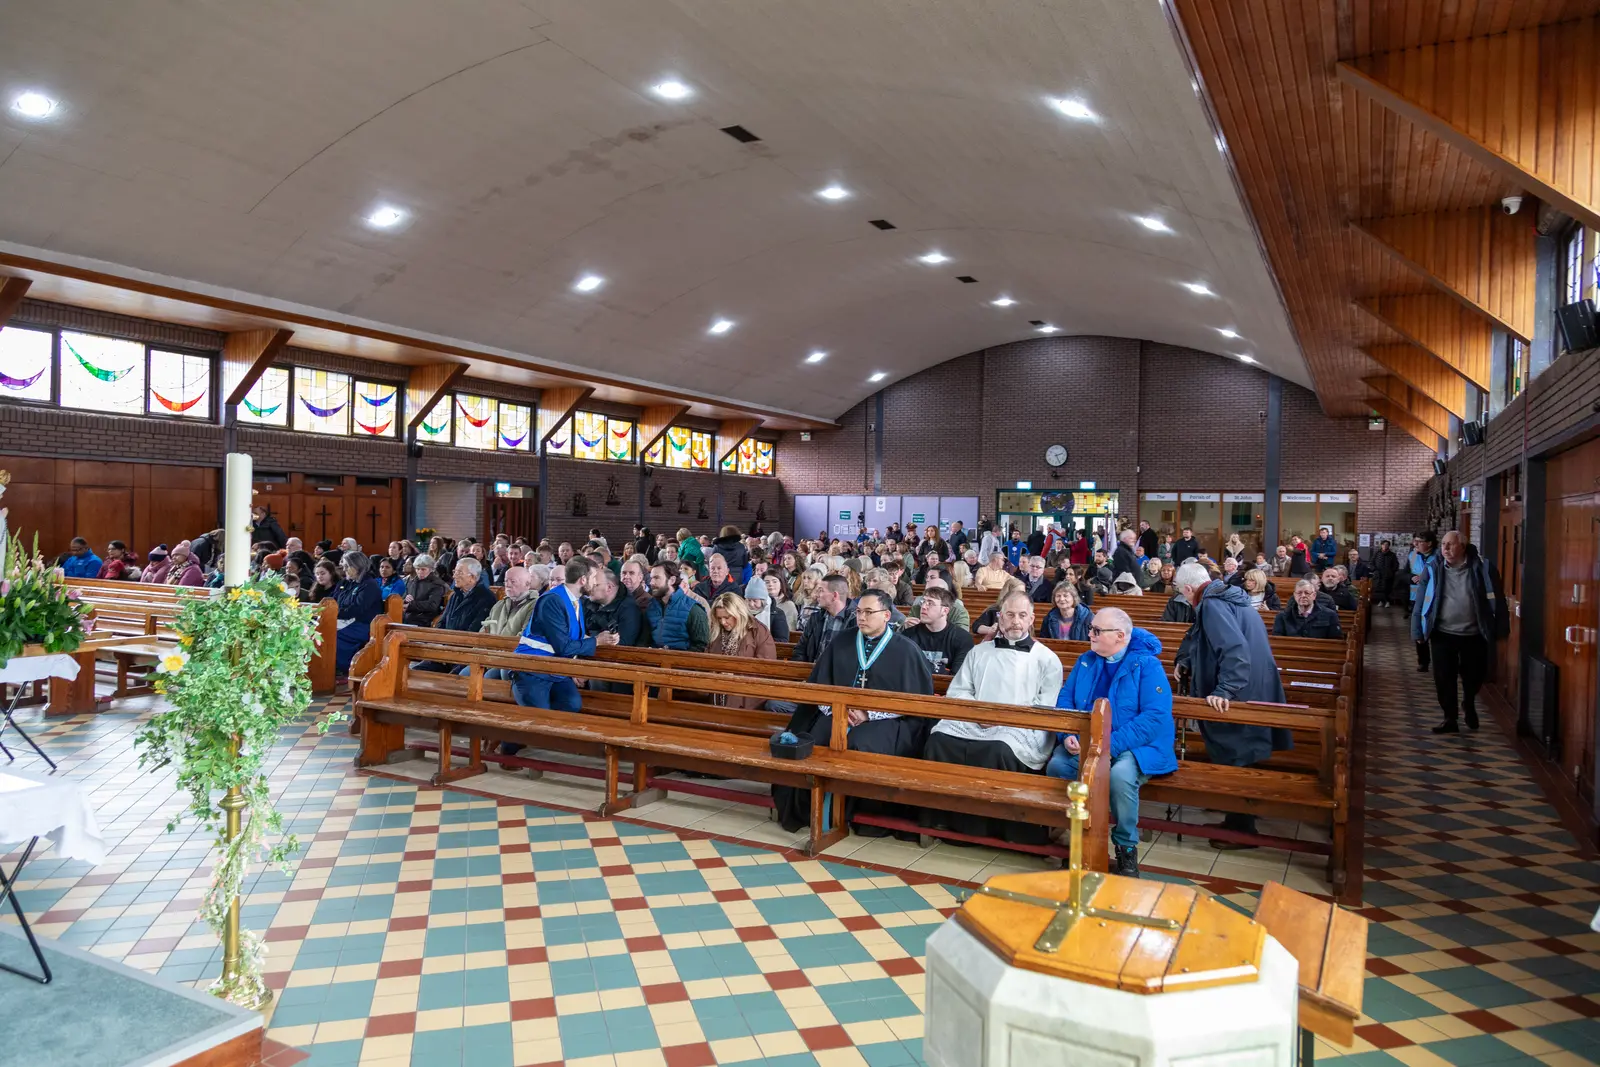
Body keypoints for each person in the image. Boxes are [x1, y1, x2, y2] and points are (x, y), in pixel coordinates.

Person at [772, 590, 936, 834]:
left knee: (858, 745)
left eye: (869, 612)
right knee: (816, 742)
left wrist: (869, 713)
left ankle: (854, 815)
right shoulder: (842, 642)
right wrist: (838, 710)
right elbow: (820, 685)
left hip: (885, 719)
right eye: (859, 611)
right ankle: (810, 810)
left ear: (887, 615)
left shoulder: (907, 650)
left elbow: (915, 703)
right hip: (835, 714)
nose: (861, 617)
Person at [922, 589, 1065, 845]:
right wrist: (979, 713)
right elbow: (960, 691)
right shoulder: (980, 652)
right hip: (975, 718)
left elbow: (1046, 706)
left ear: (1032, 619)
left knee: (998, 749)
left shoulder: (1046, 659)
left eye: (1022, 615)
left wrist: (1003, 718)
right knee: (939, 740)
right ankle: (942, 821)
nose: (1015, 621)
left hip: (1022, 725)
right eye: (1009, 614)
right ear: (1000, 617)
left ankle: (997, 830)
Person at [1047, 607, 1175, 877]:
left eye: (1096, 630)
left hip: (1136, 745)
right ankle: (1081, 839)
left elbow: (1154, 717)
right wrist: (1068, 734)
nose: (1089, 634)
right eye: (1091, 628)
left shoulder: (1147, 665)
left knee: (1119, 775)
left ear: (1120, 636)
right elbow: (1066, 700)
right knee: (1059, 766)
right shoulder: (1087, 660)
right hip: (1090, 741)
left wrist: (1104, 745)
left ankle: (1126, 848)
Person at [1171, 561, 1290, 848]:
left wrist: (1225, 690)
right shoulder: (1227, 598)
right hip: (1255, 686)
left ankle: (1243, 831)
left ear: (1189, 588)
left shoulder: (1212, 605)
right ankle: (1237, 819)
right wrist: (1187, 661)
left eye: (1180, 592)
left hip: (1241, 692)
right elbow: (1207, 641)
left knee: (1237, 754)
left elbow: (1235, 649)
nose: (1182, 597)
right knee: (1241, 754)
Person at [1419, 531, 1508, 734]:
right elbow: (1422, 599)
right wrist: (1418, 629)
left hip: (1474, 633)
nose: (1445, 549)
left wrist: (1501, 629)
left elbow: (1498, 600)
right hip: (1442, 632)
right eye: (1443, 544)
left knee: (1474, 676)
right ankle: (1450, 718)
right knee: (1443, 678)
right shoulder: (1433, 567)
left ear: (1463, 546)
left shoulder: (1483, 567)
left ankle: (1468, 702)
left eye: (1450, 544)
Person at [509, 559, 619, 721]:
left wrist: (605, 639)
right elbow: (563, 646)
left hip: (556, 670)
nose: (596, 583)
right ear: (583, 580)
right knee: (539, 718)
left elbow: (570, 635)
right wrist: (596, 641)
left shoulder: (575, 600)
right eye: (594, 577)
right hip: (532, 670)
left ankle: (547, 741)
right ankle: (507, 744)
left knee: (572, 703)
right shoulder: (552, 600)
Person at [707, 593, 777, 707]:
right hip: (717, 690)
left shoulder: (758, 631)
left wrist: (736, 676)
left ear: (738, 613)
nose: (723, 622)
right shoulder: (716, 631)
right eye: (719, 618)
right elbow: (707, 659)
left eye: (727, 617)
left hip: (747, 696)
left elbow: (767, 668)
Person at [900, 586, 972, 676]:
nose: (923, 606)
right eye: (923, 601)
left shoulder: (962, 638)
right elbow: (901, 670)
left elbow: (957, 676)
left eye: (930, 603)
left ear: (945, 610)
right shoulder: (908, 635)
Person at [332, 552, 383, 673]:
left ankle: (344, 669)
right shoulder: (345, 583)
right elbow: (332, 601)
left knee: (332, 634)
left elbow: (357, 609)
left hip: (363, 625)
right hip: (344, 620)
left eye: (347, 566)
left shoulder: (369, 585)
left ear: (357, 566)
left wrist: (335, 614)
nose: (344, 570)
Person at [645, 562, 710, 652]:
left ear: (672, 580)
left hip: (680, 662)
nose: (651, 583)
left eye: (656, 578)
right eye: (651, 578)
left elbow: (701, 646)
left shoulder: (693, 609)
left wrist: (674, 657)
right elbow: (644, 639)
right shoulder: (651, 606)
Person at [791, 573, 855, 663]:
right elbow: (800, 649)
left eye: (821, 591)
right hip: (812, 672)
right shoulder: (815, 618)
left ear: (835, 596)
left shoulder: (856, 620)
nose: (817, 594)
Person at [586, 566, 646, 649]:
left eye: (594, 585)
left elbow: (624, 646)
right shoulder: (587, 603)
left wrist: (592, 641)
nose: (588, 588)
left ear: (609, 587)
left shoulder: (629, 610)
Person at [437, 558, 496, 634]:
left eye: (459, 573)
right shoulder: (455, 595)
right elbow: (442, 622)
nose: (454, 576)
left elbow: (475, 630)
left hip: (465, 643)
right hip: (447, 641)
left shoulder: (487, 598)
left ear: (473, 577)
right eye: (455, 572)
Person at [1273, 579, 1343, 639]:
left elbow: (1336, 641)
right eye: (1299, 593)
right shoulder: (1282, 616)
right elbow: (1278, 640)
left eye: (1307, 593)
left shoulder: (1330, 615)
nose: (1303, 596)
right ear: (1294, 595)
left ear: (1314, 595)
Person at [1408, 531, 1437, 671]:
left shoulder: (1438, 557)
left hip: (1433, 598)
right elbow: (1404, 572)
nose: (1416, 544)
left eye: (1419, 541)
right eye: (1415, 541)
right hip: (1417, 596)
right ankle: (1423, 661)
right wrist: (1412, 577)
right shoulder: (1413, 555)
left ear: (1429, 543)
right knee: (1419, 628)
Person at [402, 554, 448, 626]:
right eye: (417, 569)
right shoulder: (411, 581)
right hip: (408, 617)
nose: (420, 572)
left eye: (423, 569)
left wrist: (410, 605)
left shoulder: (437, 584)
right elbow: (403, 597)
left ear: (431, 569)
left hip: (425, 620)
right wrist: (405, 600)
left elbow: (432, 605)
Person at [744, 574, 788, 641]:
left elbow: (782, 640)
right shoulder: (742, 613)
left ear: (763, 601)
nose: (751, 604)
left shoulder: (777, 614)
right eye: (749, 600)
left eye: (755, 601)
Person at [1371, 539, 1400, 607]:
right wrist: (1375, 570)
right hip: (1378, 575)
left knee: (1387, 589)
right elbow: (1371, 563)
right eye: (1384, 544)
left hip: (1388, 575)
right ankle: (1381, 601)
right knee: (1379, 589)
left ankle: (1387, 601)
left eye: (1386, 545)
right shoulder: (1377, 553)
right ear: (1381, 545)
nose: (1385, 546)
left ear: (1389, 546)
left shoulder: (1392, 555)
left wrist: (1391, 571)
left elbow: (1396, 565)